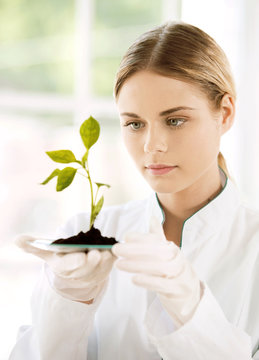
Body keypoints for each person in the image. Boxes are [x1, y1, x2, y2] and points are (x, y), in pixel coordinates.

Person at [9, 21, 259, 360]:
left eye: (174, 120)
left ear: (225, 113)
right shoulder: (84, 244)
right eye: (134, 123)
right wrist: (67, 301)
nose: (151, 145)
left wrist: (193, 312)